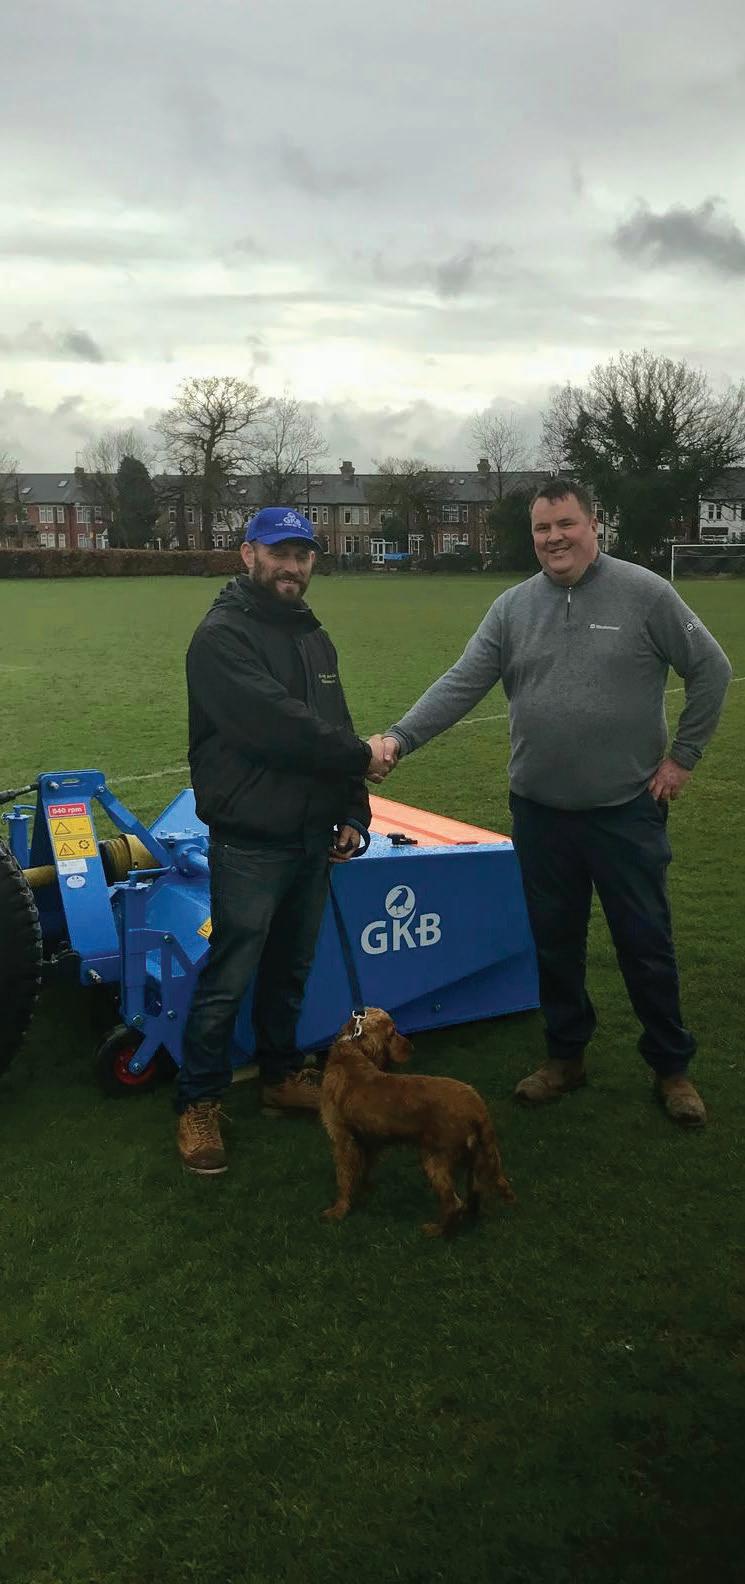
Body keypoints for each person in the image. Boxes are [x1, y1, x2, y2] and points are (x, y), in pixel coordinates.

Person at [369, 479, 732, 1128]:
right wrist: (399, 738)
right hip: (540, 813)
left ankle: (670, 1067)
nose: (554, 538)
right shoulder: (512, 608)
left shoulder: (645, 593)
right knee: (554, 943)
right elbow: (462, 681)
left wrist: (682, 758)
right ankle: (565, 1057)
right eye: (542, 528)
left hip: (625, 811)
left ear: (594, 525)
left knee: (644, 943)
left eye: (566, 524)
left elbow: (712, 668)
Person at [176, 506, 387, 1175]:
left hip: (311, 833)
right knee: (230, 974)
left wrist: (353, 809)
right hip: (250, 837)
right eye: (279, 553)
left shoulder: (312, 636)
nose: (292, 566)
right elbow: (278, 725)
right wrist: (361, 756)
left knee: (290, 967)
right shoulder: (220, 637)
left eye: (302, 554)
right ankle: (198, 1102)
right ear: (248, 555)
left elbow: (334, 719)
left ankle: (279, 1075)